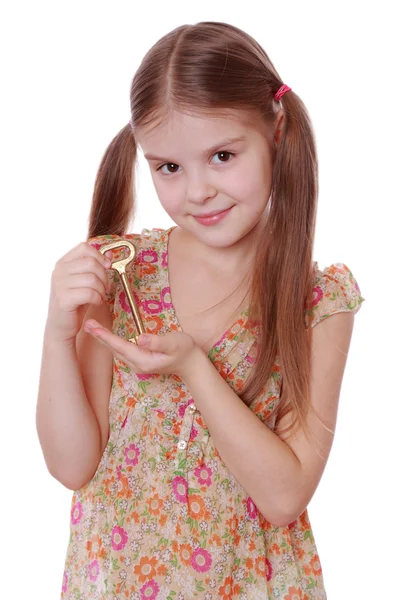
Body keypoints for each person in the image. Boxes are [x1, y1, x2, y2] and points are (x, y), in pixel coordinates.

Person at [36, 21, 365, 600]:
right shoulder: (125, 273)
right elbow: (72, 466)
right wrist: (59, 333)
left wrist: (194, 367)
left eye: (221, 156)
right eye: (168, 167)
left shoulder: (318, 301)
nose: (197, 191)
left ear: (277, 132)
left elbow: (285, 496)